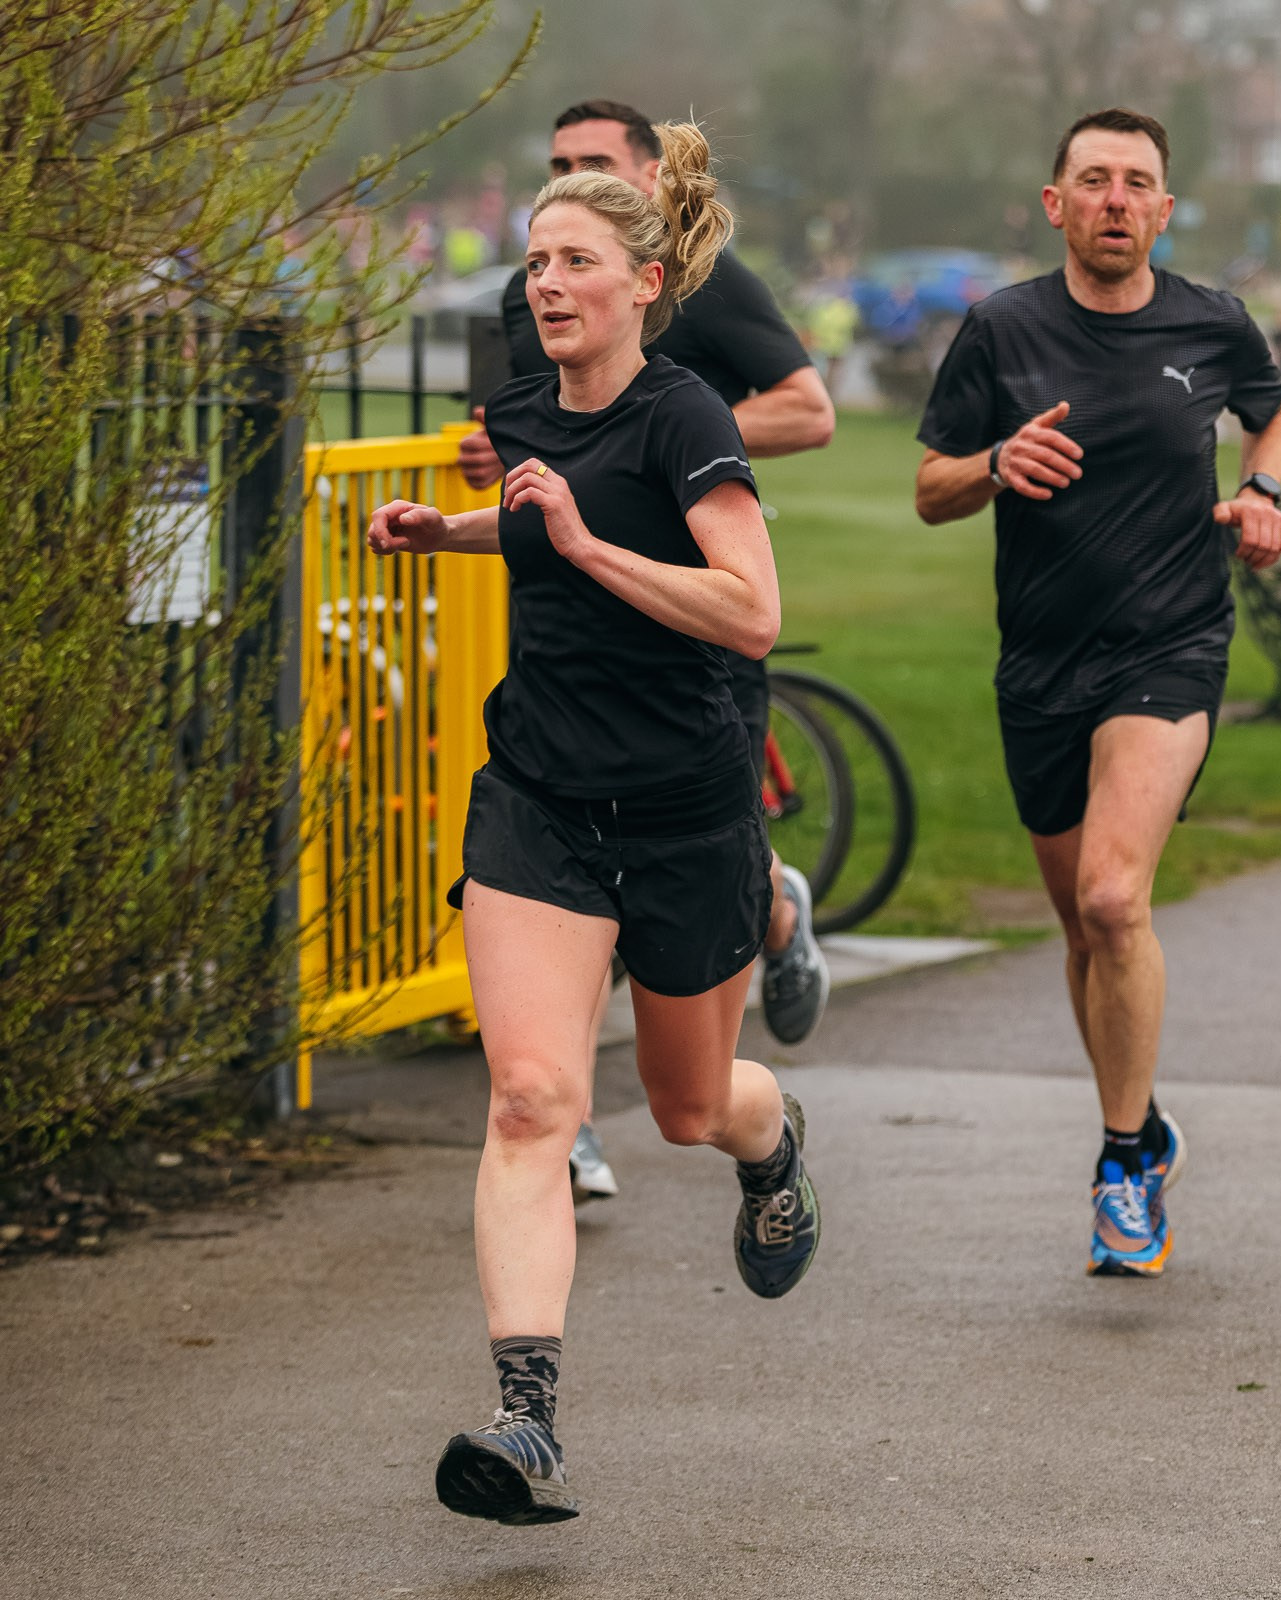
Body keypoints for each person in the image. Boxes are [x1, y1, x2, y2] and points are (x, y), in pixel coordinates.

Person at [366, 130, 822, 1522]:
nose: (547, 282)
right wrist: (445, 532)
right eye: (537, 260)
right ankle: (528, 1420)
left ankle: (775, 1142)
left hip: (688, 812)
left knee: (691, 1107)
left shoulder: (689, 417)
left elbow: (753, 611)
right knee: (531, 1102)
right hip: (542, 801)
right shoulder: (524, 410)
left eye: (576, 263)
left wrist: (579, 546)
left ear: (644, 281)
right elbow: (538, 513)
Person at [913, 108, 1281, 1278]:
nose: (1116, 199)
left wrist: (1262, 488)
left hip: (1168, 646)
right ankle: (1145, 1117)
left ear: (1164, 210)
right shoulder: (1000, 329)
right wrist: (993, 464)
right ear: (1055, 204)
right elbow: (930, 485)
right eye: (1094, 181)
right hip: (1038, 661)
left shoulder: (1211, 320)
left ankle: (1123, 1159)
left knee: (1115, 899)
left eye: (1137, 183)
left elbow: (1271, 408)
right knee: (1080, 923)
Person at [456, 101, 838, 1204]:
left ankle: (772, 908)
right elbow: (537, 469)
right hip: (559, 731)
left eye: (591, 169)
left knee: (688, 1099)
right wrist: (477, 506)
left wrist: (675, 443)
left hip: (697, 669)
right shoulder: (527, 310)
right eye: (554, 166)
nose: (548, 275)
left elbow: (807, 414)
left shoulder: (710, 309)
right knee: (535, 1074)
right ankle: (556, 1117)